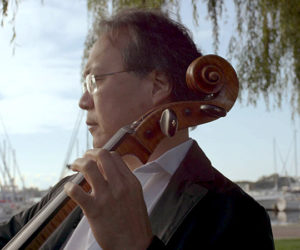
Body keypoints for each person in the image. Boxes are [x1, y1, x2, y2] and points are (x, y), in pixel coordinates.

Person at [0, 8, 274, 250]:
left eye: (94, 81)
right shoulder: (73, 189)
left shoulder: (235, 215)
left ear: (157, 85)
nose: (83, 101)